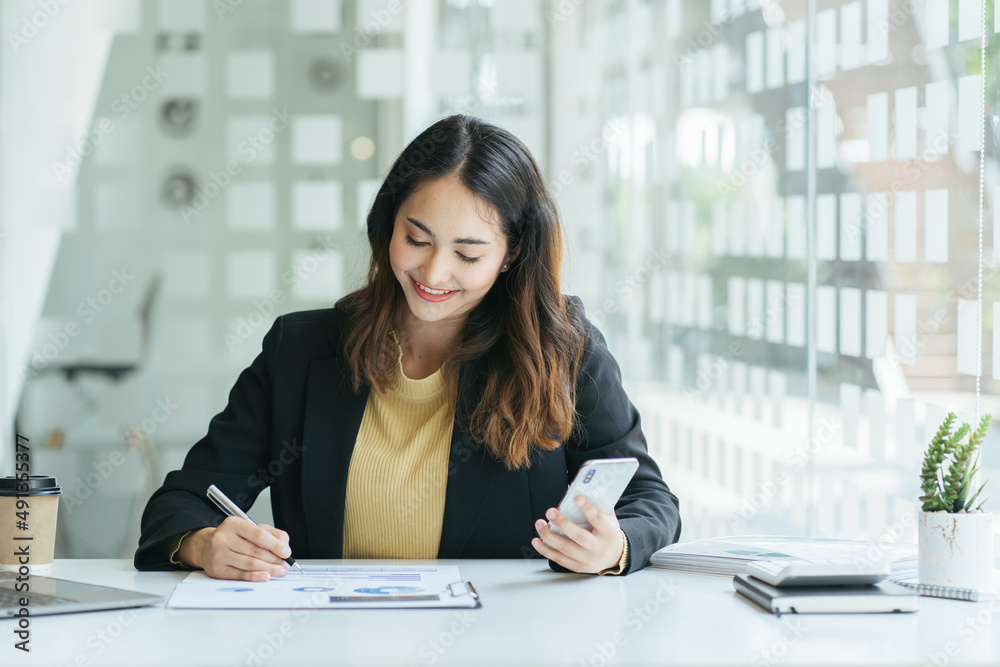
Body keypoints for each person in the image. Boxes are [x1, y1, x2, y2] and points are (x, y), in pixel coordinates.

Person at [134, 115, 680, 580]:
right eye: (416, 239)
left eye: (468, 255)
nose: (434, 273)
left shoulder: (562, 346)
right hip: (327, 644)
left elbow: (650, 501)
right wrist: (204, 544)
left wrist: (616, 546)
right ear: (387, 223)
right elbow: (179, 504)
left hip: (500, 646)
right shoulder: (300, 350)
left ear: (511, 255)